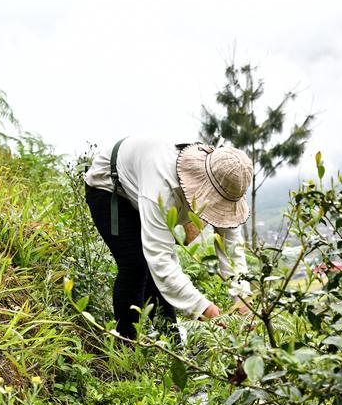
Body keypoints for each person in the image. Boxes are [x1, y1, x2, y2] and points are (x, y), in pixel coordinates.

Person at [84, 136, 251, 340]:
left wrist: (243, 299)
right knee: (135, 266)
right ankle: (126, 344)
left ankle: (171, 342)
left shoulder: (226, 179)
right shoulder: (163, 183)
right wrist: (203, 308)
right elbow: (160, 260)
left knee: (153, 275)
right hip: (110, 185)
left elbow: (231, 250)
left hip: (143, 184)